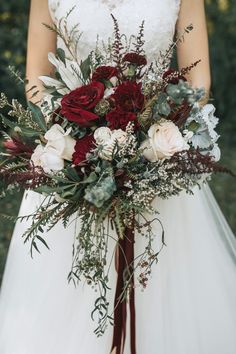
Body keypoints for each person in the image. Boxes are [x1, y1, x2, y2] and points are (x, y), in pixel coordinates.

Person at [0, 1, 236, 353]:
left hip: (158, 157)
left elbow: (198, 78)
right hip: (73, 161)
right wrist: (72, 136)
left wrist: (160, 134)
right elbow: (35, 80)